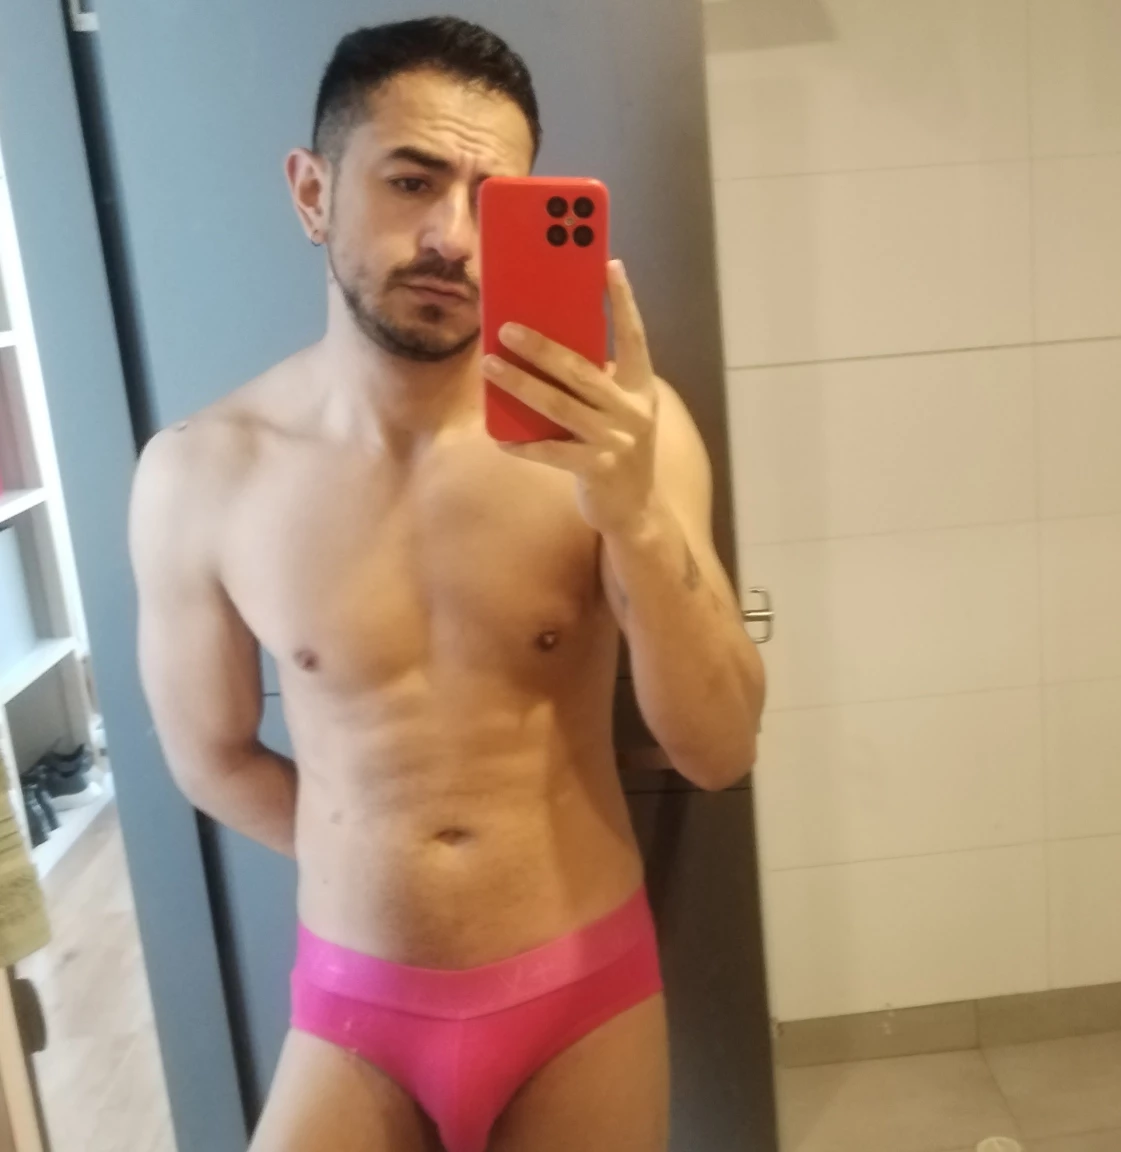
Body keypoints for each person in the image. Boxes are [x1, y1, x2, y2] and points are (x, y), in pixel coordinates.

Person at [129, 16, 764, 1152]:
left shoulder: (625, 434)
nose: (452, 238)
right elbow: (209, 757)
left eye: (492, 200)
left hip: (582, 998)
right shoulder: (202, 474)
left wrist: (632, 514)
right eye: (411, 181)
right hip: (352, 1010)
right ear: (313, 192)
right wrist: (374, 852)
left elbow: (720, 750)